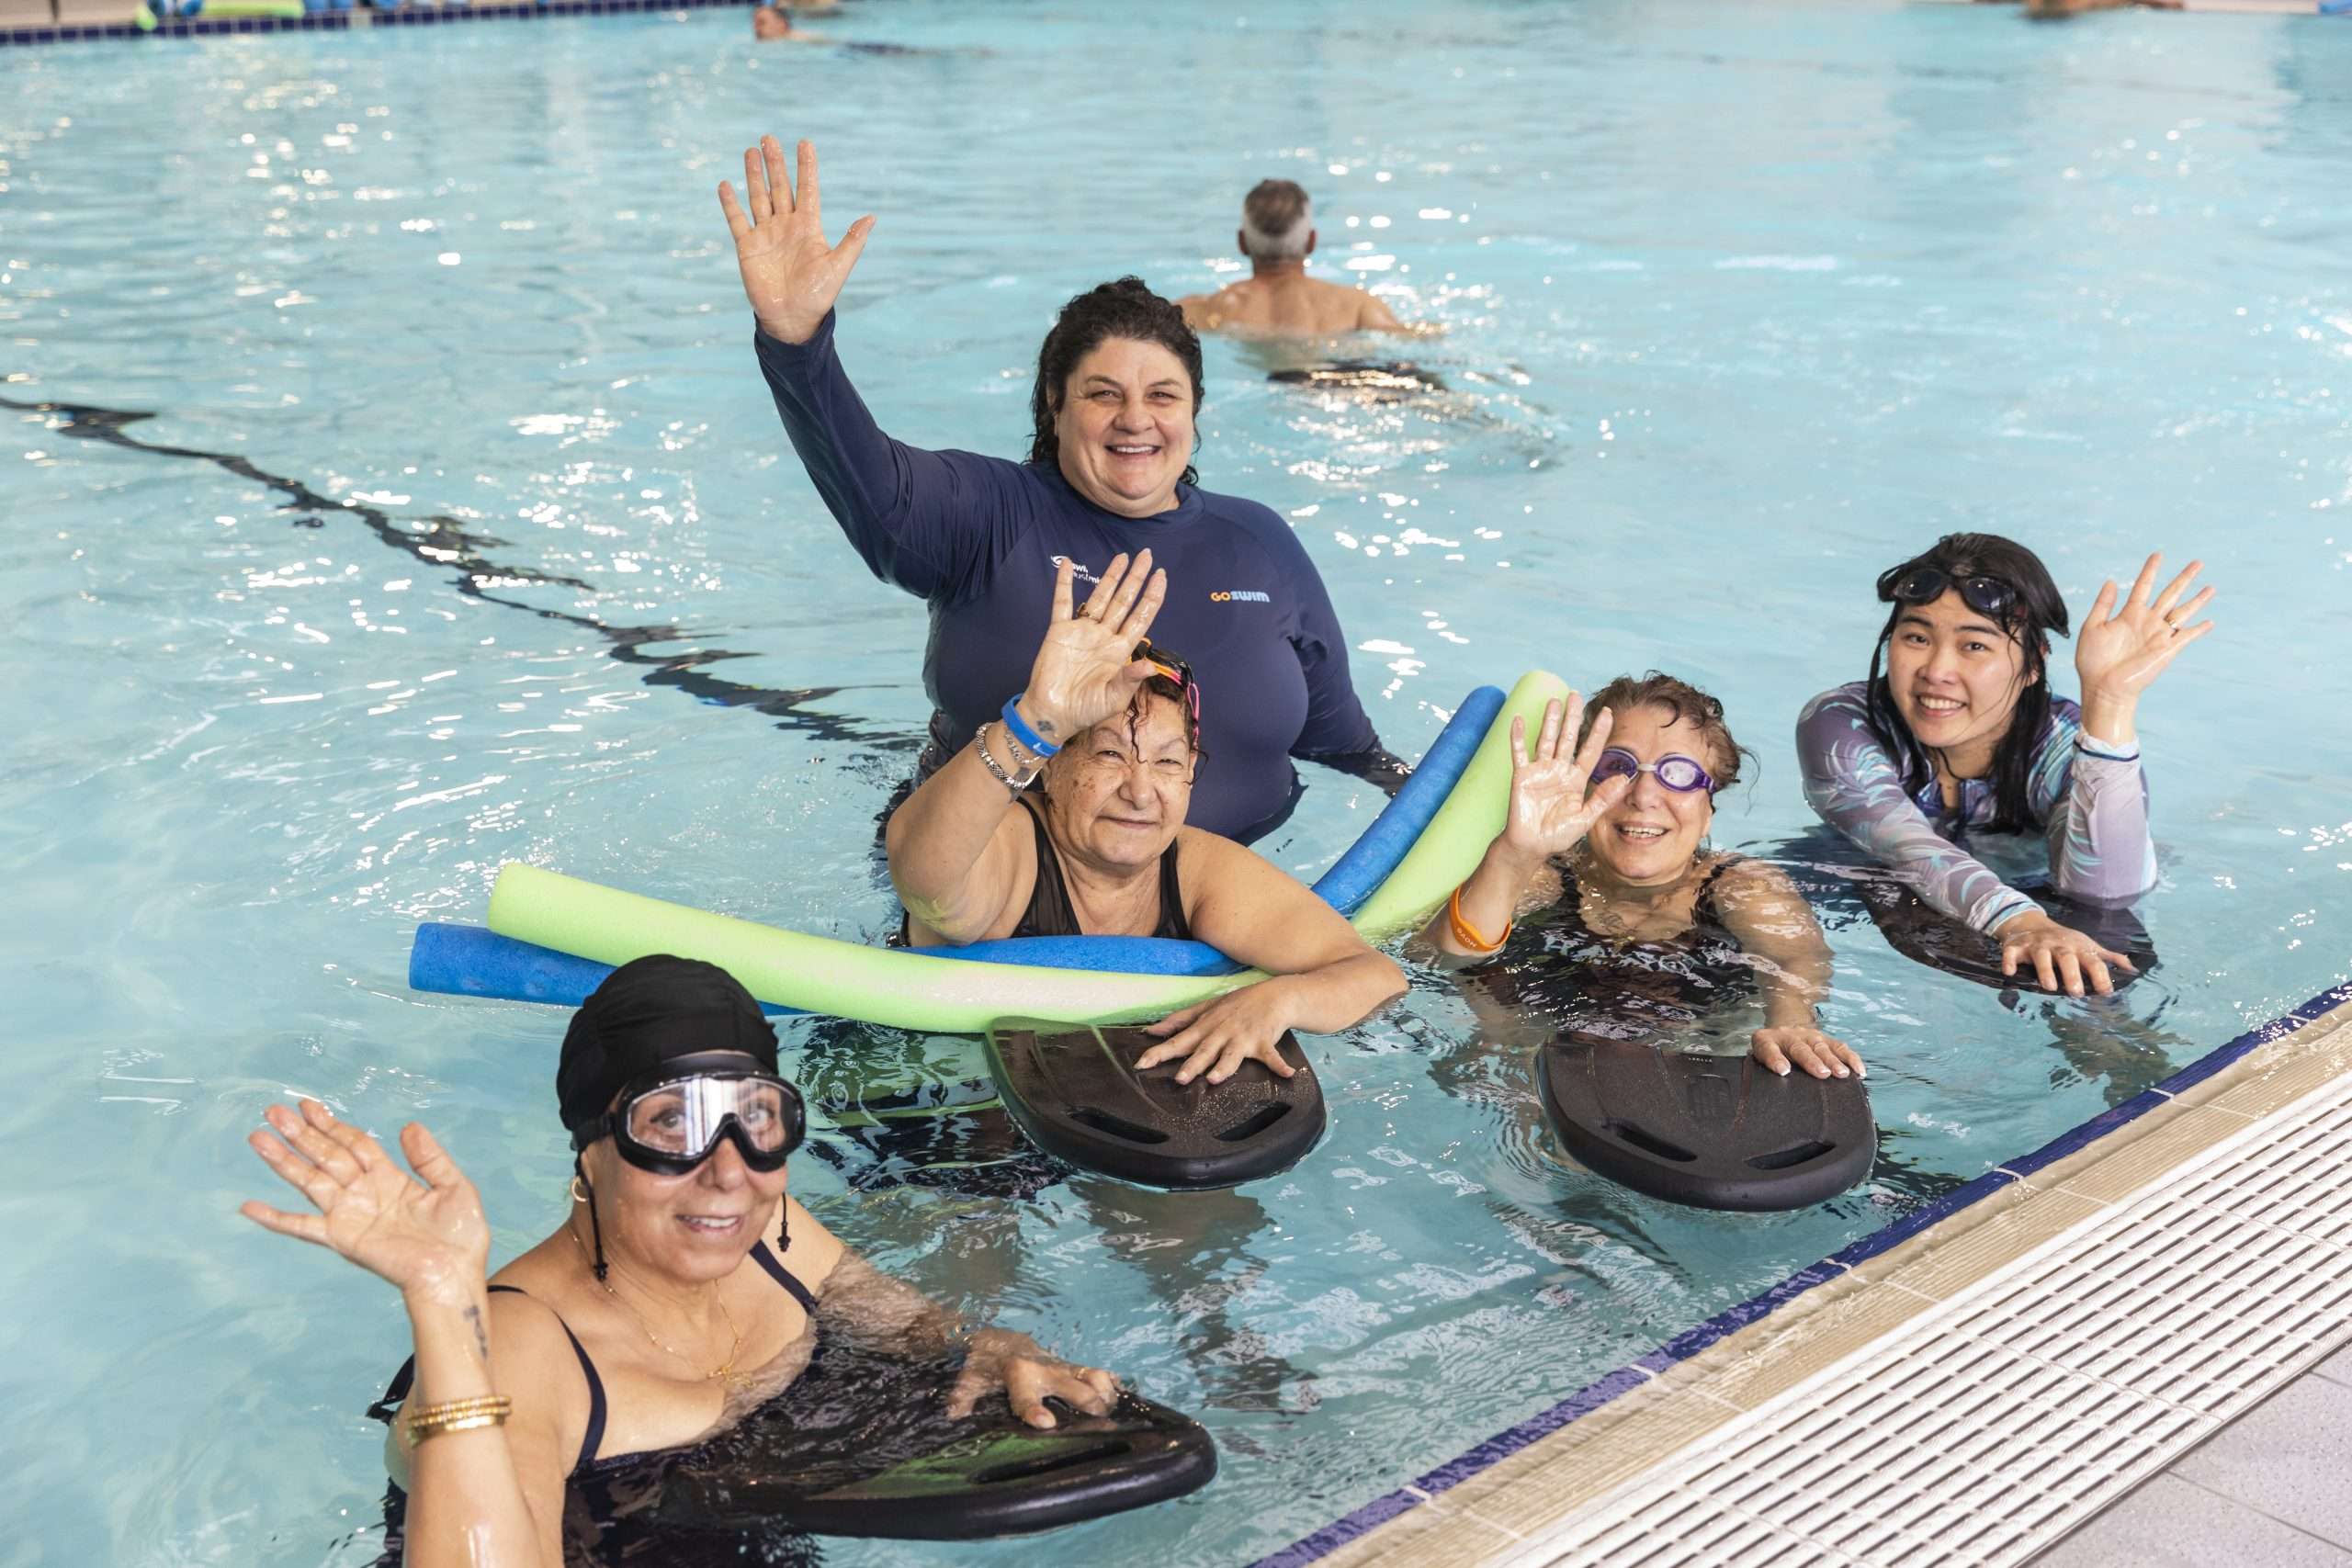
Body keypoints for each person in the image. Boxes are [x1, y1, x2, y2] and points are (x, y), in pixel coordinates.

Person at [240, 956, 1121, 1567]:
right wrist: (441, 1301)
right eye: (673, 1123)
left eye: (757, 1118)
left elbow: (925, 1334)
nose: (730, 1171)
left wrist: (995, 1344)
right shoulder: (519, 1345)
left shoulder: (770, 1239)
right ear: (592, 1147)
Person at [718, 138, 1403, 843]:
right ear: (1055, 403)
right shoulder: (990, 516)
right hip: (1007, 908)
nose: (1136, 418)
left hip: (1241, 909)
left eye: (1162, 395)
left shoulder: (1259, 543)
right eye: (1104, 394)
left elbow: (1344, 745)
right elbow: (873, 487)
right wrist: (799, 346)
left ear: (1194, 411)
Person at [888, 549, 1408, 1086]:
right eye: (1110, 755)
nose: (1141, 793)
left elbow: (1374, 976)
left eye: (1166, 763)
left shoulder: (1196, 869)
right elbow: (928, 885)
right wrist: (1036, 720)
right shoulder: (1013, 847)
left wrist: (1278, 1000)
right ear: (1054, 767)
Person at [1798, 535, 2214, 998]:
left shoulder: (2063, 746)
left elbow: (2105, 897)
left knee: (2098, 971)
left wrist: (2110, 701)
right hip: (1867, 873)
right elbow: (1904, 849)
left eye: (1974, 646)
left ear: (2033, 664)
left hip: (2039, 896)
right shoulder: (1844, 721)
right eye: (1917, 637)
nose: (1937, 670)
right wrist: (2019, 921)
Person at [1419, 676, 1863, 1083]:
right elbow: (1431, 958)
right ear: (1583, 785)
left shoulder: (1740, 886)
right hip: (1525, 1079)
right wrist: (1515, 853)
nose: (1645, 796)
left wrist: (1792, 1024)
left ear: (1708, 810)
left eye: (1679, 774)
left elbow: (1793, 961)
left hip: (1698, 1077)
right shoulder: (1542, 877)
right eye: (1618, 767)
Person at [1176, 179, 1419, 338]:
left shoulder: (1197, 311)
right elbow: (1407, 338)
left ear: (1242, 243)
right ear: (1311, 241)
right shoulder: (1357, 306)